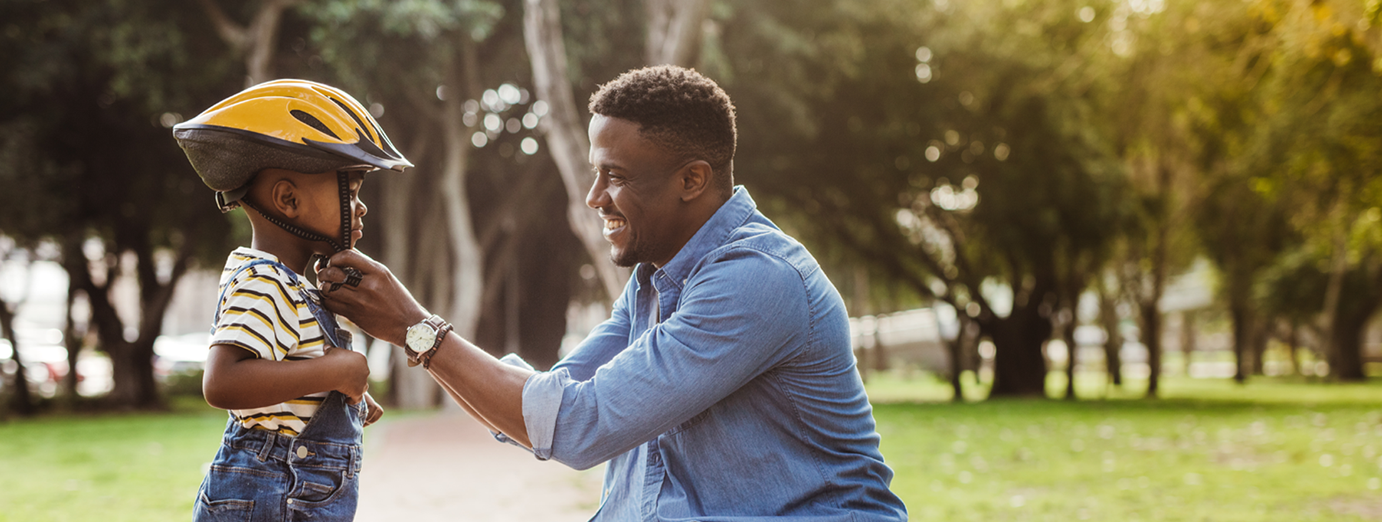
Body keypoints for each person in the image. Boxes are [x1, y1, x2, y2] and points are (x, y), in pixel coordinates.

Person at [320, 65, 908, 521]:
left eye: (617, 177)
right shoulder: (656, 278)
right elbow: (552, 404)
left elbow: (578, 426)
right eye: (597, 173)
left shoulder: (757, 279)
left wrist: (414, 329)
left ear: (692, 179)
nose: (594, 197)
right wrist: (417, 337)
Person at [173, 79, 411, 522]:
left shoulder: (292, 284)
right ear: (288, 199)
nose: (361, 209)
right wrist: (340, 368)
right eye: (353, 191)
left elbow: (284, 383)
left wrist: (338, 394)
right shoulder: (263, 279)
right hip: (271, 497)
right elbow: (223, 381)